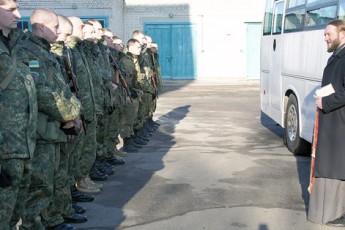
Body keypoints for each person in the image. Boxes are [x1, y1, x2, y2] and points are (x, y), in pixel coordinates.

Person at [18, 8, 81, 230]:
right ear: (42, 27)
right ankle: (35, 225)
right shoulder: (27, 52)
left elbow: (60, 87)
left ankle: (51, 220)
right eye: (55, 27)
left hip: (54, 129)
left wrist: (71, 116)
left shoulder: (45, 52)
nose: (58, 32)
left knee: (52, 180)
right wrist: (72, 112)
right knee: (39, 185)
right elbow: (41, 92)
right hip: (40, 132)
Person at [0, 1, 37, 229]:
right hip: (4, 150)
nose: (19, 14)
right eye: (11, 9)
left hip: (21, 146)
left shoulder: (15, 45)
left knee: (12, 213)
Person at [308, 19, 345, 227]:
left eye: (328, 34)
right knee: (334, 166)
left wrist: (326, 101)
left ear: (342, 34)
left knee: (339, 167)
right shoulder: (337, 57)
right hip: (334, 122)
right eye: (324, 35)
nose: (325, 38)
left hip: (340, 123)